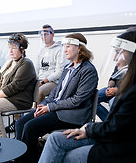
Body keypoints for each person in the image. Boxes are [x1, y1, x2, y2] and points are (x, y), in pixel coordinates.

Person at [38, 28, 136, 163]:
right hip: (116, 138)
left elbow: (115, 128)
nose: (115, 58)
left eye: (118, 53)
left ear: (134, 55)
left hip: (121, 149)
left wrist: (88, 128)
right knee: (55, 138)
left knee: (65, 156)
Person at [15, 33, 98, 163]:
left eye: (68, 46)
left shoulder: (88, 70)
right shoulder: (68, 67)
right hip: (57, 109)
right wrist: (43, 105)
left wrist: (49, 107)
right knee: (20, 123)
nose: (64, 50)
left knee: (31, 127)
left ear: (80, 48)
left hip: (71, 115)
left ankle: (24, 160)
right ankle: (30, 158)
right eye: (65, 46)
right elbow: (56, 92)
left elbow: (77, 100)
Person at [5, 25, 68, 134]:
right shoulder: (42, 50)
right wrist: (34, 80)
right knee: (19, 87)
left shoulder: (59, 49)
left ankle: (36, 118)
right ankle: (17, 121)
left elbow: (59, 72)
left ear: (52, 35)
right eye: (42, 34)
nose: (43, 36)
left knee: (40, 91)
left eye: (46, 33)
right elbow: (37, 69)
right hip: (40, 80)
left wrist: (43, 81)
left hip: (53, 82)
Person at [0, 33, 36, 138]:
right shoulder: (8, 63)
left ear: (22, 50)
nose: (10, 51)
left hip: (19, 100)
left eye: (14, 48)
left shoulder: (26, 63)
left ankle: (3, 141)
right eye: (9, 47)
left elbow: (15, 86)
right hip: (5, 97)